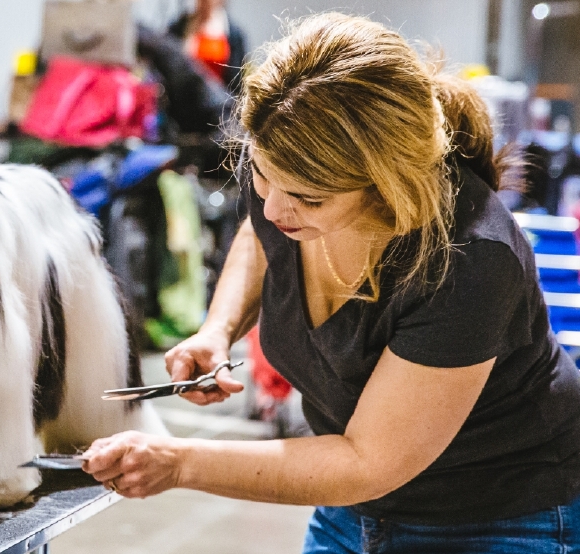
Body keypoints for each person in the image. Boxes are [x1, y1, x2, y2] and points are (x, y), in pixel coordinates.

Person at [83, 12, 580, 552]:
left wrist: (179, 462)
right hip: (352, 507)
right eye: (261, 175)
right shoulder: (285, 162)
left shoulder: (469, 259)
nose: (273, 208)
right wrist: (217, 330)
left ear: (386, 184)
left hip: (499, 514)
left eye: (308, 198)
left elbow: (367, 462)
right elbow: (259, 236)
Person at [167, 0, 247, 95]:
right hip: (185, 96)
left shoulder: (233, 34)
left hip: (219, 98)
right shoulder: (179, 26)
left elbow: (236, 80)